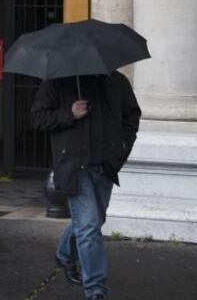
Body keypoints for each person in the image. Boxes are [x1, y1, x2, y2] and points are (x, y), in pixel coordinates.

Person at [30, 71, 141, 300]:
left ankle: (64, 254)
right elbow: (37, 118)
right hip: (75, 166)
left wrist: (122, 148)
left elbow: (132, 115)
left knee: (93, 221)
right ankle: (95, 289)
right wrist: (69, 113)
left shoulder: (117, 82)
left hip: (106, 165)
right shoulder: (57, 81)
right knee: (89, 226)